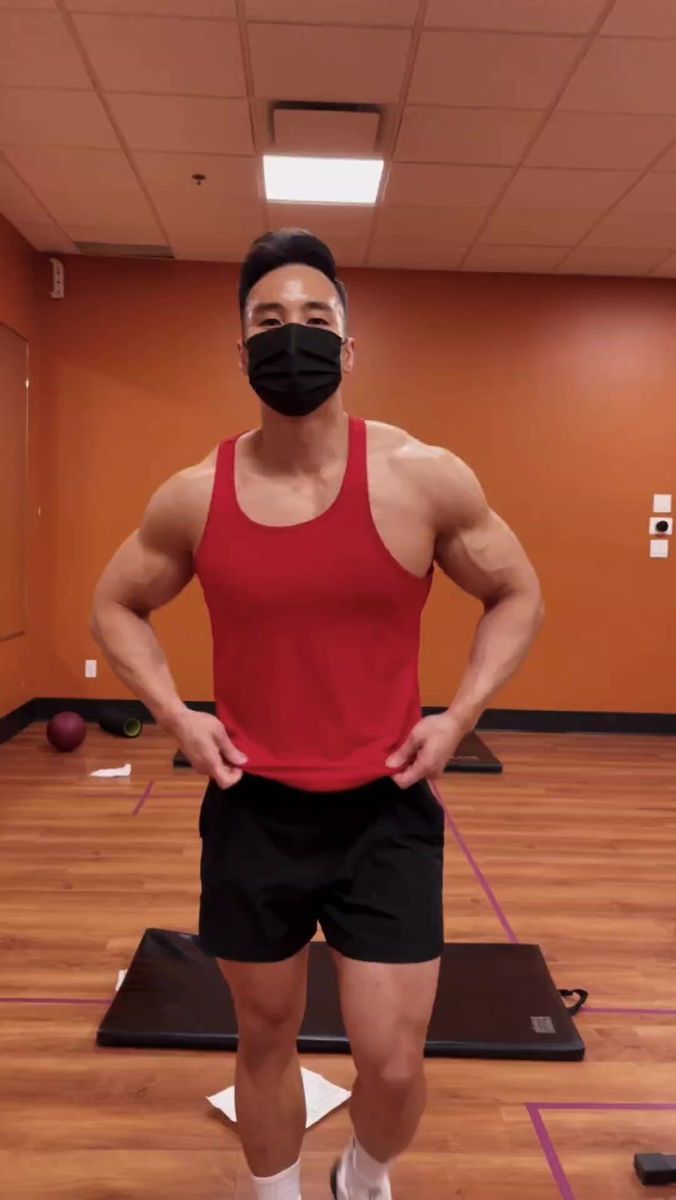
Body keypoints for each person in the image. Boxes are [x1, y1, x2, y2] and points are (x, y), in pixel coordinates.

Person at [91, 228, 544, 1200]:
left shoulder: (421, 476)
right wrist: (177, 715)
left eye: (312, 318)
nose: (289, 336)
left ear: (349, 342)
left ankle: (362, 1174)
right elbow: (114, 603)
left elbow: (517, 592)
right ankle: (277, 1193)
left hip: (384, 806)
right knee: (264, 1038)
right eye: (267, 321)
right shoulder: (193, 497)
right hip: (253, 807)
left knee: (390, 1064)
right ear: (240, 348)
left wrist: (457, 717)